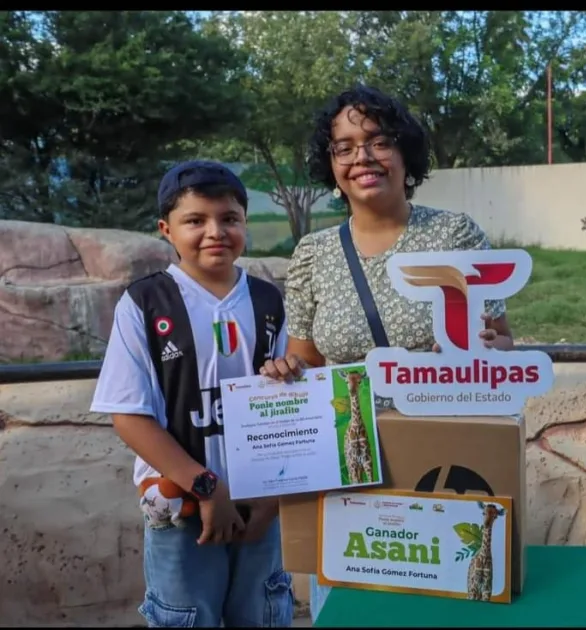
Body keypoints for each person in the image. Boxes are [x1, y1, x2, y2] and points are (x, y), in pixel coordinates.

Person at [259, 85, 518, 622]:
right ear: (330, 162)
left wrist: (492, 351)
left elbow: (499, 340)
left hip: (445, 463)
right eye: (345, 146)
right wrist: (286, 373)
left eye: (377, 141)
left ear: (404, 152)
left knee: (447, 604)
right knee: (352, 611)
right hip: (351, 471)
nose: (362, 158)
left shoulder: (454, 234)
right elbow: (305, 361)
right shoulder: (313, 253)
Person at [90, 160, 294, 628]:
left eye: (229, 218)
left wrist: (273, 499)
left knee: (262, 615)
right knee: (186, 617)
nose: (214, 232)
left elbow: (294, 409)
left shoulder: (268, 302)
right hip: (182, 508)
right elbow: (128, 414)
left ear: (245, 222)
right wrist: (206, 486)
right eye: (195, 220)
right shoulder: (145, 303)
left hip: (258, 507)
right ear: (166, 229)